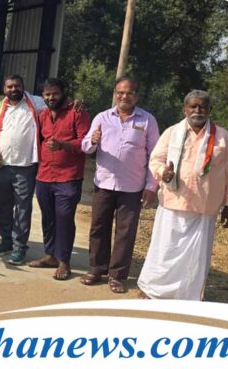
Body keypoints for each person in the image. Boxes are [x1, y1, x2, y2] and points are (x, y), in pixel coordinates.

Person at [138, 90, 228, 300]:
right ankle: (153, 290)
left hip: (205, 207)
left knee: (195, 257)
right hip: (174, 202)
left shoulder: (222, 136)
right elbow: (156, 160)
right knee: (165, 250)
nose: (197, 110)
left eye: (202, 106)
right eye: (193, 106)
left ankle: (188, 295)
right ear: (185, 109)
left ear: (209, 110)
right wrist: (163, 172)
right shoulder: (172, 132)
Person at [80, 76, 159, 293]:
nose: (124, 97)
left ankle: (117, 275)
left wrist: (151, 186)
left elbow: (155, 155)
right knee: (98, 227)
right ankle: (96, 269)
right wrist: (93, 141)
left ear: (137, 96)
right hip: (104, 183)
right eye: (120, 93)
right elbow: (85, 146)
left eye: (129, 93)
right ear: (115, 94)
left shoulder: (147, 121)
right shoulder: (102, 117)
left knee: (125, 232)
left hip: (132, 186)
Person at [29, 78, 90, 281]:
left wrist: (63, 145)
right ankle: (50, 255)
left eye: (55, 93)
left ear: (63, 92)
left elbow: (85, 142)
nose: (51, 97)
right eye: (47, 94)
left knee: (64, 217)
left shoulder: (77, 113)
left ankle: (64, 261)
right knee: (48, 218)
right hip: (44, 175)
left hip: (69, 176)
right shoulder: (43, 115)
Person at [0, 75, 46, 265]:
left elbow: (57, 108)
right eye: (10, 86)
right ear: (4, 89)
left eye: (17, 86)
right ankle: (6, 241)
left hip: (25, 167)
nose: (14, 89)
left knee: (22, 208)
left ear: (23, 86)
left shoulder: (36, 103)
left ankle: (19, 247)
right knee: (3, 205)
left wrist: (74, 104)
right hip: (1, 166)